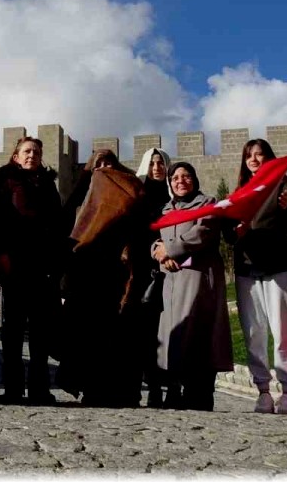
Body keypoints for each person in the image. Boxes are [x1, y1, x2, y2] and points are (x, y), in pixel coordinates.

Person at [57, 149, 145, 407]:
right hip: (84, 275)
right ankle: (88, 386)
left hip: (113, 273)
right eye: (99, 164)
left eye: (109, 163)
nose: (105, 169)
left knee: (111, 334)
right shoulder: (81, 199)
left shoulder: (129, 191)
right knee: (86, 334)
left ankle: (113, 389)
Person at [224, 139, 287, 415]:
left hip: (278, 266)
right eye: (250, 156)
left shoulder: (285, 186)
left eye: (260, 155)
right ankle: (263, 391)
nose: (255, 160)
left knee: (283, 331)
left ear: (270, 158)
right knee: (254, 332)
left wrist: (285, 208)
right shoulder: (240, 192)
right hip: (247, 268)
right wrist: (238, 232)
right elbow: (228, 234)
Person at [147, 162, 233, 411]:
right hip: (172, 281)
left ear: (194, 179)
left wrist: (170, 249)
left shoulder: (208, 204)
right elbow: (155, 239)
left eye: (186, 176)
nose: (180, 181)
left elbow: (203, 232)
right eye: (175, 177)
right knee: (173, 334)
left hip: (199, 280)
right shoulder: (165, 209)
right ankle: (174, 389)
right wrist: (159, 252)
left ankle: (200, 392)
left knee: (199, 334)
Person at [0, 136, 64, 405]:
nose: (32, 155)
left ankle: (39, 388)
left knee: (40, 331)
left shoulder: (48, 186)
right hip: (16, 264)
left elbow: (57, 225)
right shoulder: (4, 184)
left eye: (37, 151)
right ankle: (13, 388)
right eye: (27, 151)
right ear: (16, 156)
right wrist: (2, 255)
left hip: (42, 267)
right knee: (13, 329)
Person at [134, 147, 171, 408]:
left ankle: (165, 386)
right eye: (153, 163)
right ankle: (145, 386)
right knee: (144, 333)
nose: (157, 167)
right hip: (143, 272)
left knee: (168, 330)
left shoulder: (173, 197)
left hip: (171, 270)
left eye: (161, 163)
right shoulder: (138, 196)